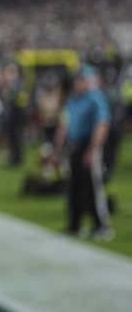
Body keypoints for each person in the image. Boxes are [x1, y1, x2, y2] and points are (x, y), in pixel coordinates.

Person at [50, 64, 113, 240]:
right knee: (74, 186)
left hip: (88, 144)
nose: (78, 83)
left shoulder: (96, 99)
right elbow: (63, 125)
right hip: (74, 145)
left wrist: (93, 149)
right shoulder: (73, 100)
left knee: (92, 186)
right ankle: (74, 224)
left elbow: (102, 125)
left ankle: (101, 225)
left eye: (81, 80)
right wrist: (57, 151)